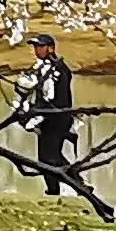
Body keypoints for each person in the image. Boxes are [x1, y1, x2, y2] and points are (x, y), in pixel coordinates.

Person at [18, 32, 80, 197]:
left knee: (49, 158)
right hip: (50, 118)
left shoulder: (57, 69)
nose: (37, 50)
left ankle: (73, 186)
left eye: (40, 46)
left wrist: (38, 114)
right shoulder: (46, 68)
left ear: (51, 48)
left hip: (55, 119)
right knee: (50, 157)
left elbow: (55, 99)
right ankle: (67, 187)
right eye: (35, 46)